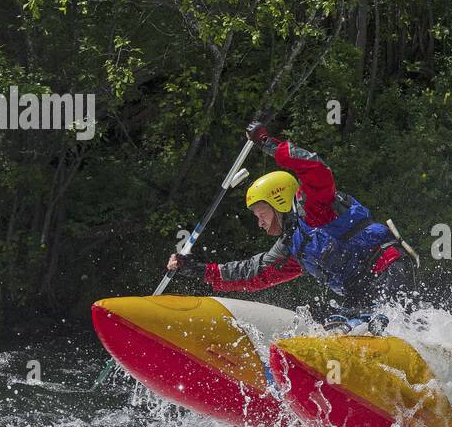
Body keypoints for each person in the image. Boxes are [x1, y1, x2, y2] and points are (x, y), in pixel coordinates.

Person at [168, 123, 416, 323]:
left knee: (375, 322)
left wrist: (267, 143)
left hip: (388, 271)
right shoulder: (292, 247)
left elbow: (315, 167)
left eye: (261, 213)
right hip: (360, 292)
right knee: (338, 328)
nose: (260, 223)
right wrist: (197, 269)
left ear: (279, 200)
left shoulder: (317, 207)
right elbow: (252, 273)